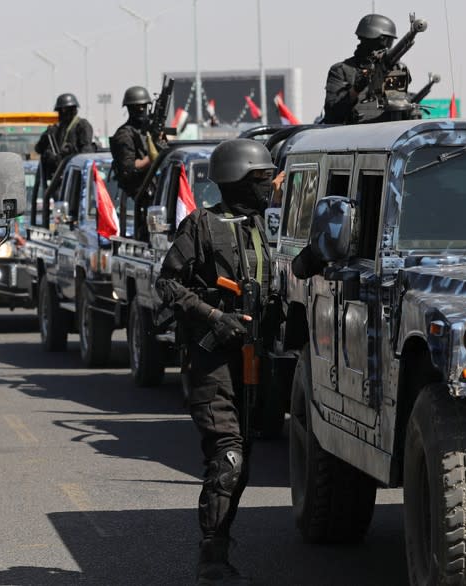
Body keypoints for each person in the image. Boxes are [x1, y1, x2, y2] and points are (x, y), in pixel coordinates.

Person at [155, 139, 278, 586]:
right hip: (211, 360)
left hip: (252, 359)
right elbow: (167, 285)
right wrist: (215, 317)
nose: (268, 186)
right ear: (236, 180)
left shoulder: (265, 227)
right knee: (227, 457)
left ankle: (221, 543)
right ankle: (212, 562)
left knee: (243, 458)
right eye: (260, 178)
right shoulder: (201, 227)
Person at [322, 13, 409, 124]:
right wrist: (356, 89)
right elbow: (333, 114)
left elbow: (401, 110)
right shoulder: (341, 70)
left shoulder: (396, 69)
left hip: (387, 134)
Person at [110, 85, 165, 239]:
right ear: (129, 109)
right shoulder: (124, 135)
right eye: (137, 107)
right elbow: (129, 167)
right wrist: (154, 156)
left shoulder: (148, 131)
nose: (141, 110)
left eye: (144, 106)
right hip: (139, 195)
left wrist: (161, 141)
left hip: (156, 191)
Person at [34, 93, 95, 180]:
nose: (62, 113)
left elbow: (86, 152)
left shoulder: (82, 125)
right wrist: (46, 136)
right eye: (61, 110)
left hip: (75, 175)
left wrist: (70, 152)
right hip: (58, 175)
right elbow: (39, 148)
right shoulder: (56, 129)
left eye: (65, 110)